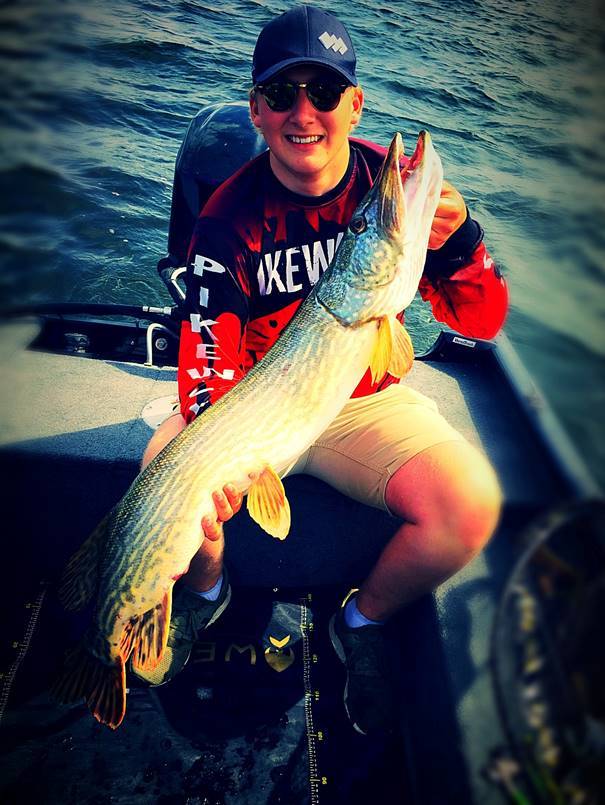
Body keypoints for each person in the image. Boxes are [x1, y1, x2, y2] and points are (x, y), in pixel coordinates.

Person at [134, 5, 508, 735]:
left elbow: (482, 320)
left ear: (354, 104)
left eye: (325, 92)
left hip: (361, 401)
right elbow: (206, 355)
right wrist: (220, 450)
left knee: (468, 507)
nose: (303, 113)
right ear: (256, 111)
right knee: (165, 476)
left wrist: (462, 240)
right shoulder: (227, 217)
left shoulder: (383, 189)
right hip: (249, 399)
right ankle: (205, 594)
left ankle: (360, 621)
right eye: (282, 94)